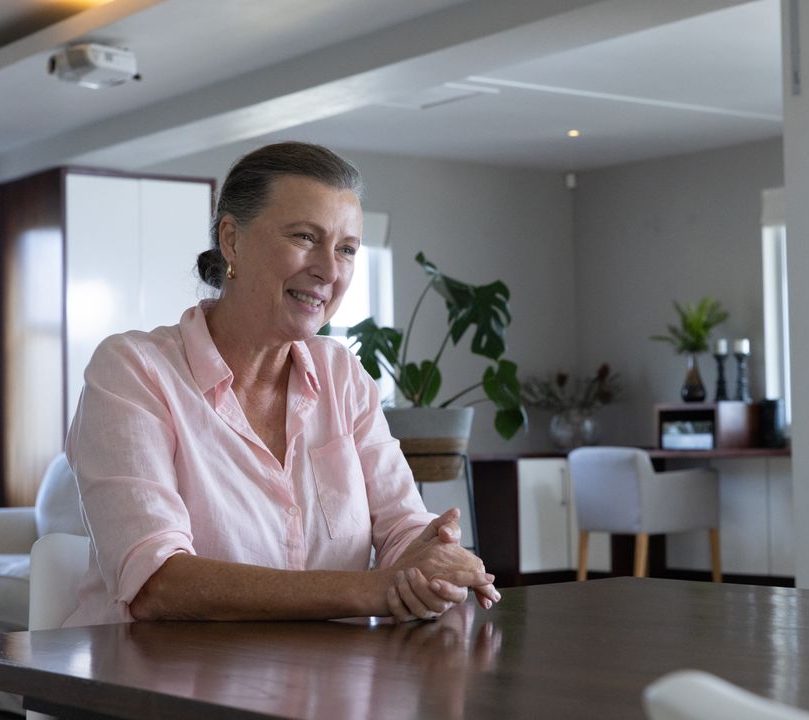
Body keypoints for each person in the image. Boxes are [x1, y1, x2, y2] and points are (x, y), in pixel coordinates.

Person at [64, 141, 499, 626]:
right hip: (151, 685)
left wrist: (434, 561)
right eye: (304, 237)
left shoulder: (343, 375)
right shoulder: (133, 369)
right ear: (232, 240)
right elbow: (156, 584)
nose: (329, 271)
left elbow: (402, 526)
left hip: (323, 684)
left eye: (347, 249)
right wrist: (374, 590)